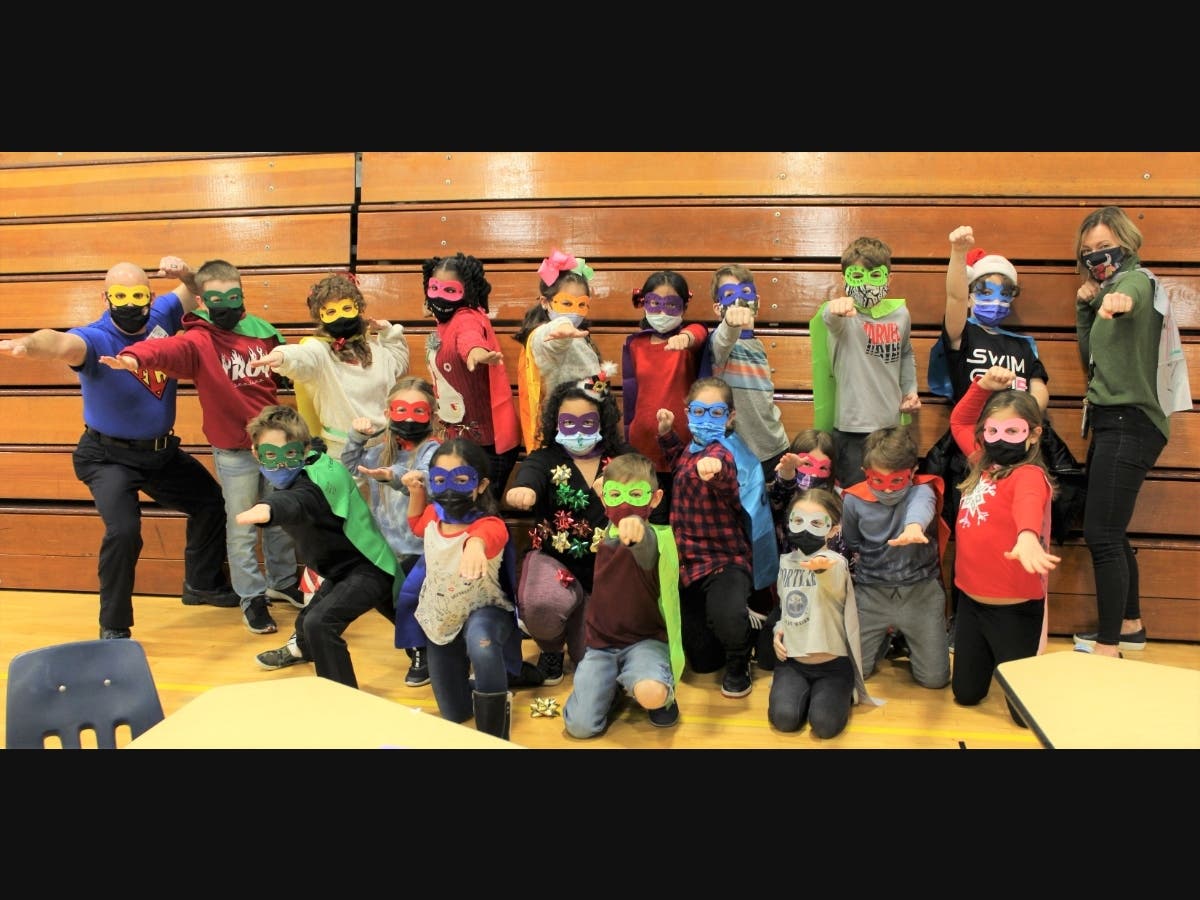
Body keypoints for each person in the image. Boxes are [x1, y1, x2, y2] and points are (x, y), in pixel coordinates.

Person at [0, 258, 235, 639]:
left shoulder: (163, 314)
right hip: (108, 457)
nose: (129, 304)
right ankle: (114, 625)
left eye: (137, 295)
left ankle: (202, 584)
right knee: (124, 532)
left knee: (210, 503)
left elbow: (197, 289)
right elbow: (58, 341)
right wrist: (28, 345)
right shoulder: (94, 338)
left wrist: (186, 272)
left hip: (160, 454)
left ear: (150, 296)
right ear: (106, 297)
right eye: (119, 296)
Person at [98, 258, 300, 637]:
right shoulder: (198, 339)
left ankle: (283, 582)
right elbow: (164, 350)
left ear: (243, 294)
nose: (226, 304)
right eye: (215, 298)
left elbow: (291, 367)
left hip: (276, 448)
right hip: (235, 451)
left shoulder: (263, 331)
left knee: (281, 519)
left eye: (233, 295)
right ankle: (251, 597)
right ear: (203, 301)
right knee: (241, 528)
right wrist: (133, 358)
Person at [1071, 206, 1175, 657]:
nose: (1098, 255)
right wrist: (1088, 305)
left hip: (1128, 421)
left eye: (1105, 245)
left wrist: (1117, 300)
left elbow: (1131, 292)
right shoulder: (1106, 290)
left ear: (1127, 243)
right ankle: (1129, 624)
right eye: (1088, 250)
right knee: (1113, 530)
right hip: (1112, 421)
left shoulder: (1137, 281)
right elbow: (1092, 357)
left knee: (1102, 534)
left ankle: (1110, 646)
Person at [239, 405, 398, 688]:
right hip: (341, 570)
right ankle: (302, 648)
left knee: (320, 623)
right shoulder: (310, 463)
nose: (279, 464)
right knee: (310, 620)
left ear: (303, 450)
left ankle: (340, 695)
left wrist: (269, 508)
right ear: (255, 453)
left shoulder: (315, 480)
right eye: (269, 455)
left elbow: (300, 500)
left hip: (369, 567)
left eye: (289, 454)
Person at [505, 371, 635, 686]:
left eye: (587, 423)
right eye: (569, 423)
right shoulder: (545, 458)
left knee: (589, 659)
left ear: (602, 422)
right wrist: (523, 491)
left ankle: (578, 626)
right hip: (555, 561)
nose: (578, 431)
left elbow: (645, 492)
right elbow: (529, 476)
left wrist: (622, 486)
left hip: (602, 574)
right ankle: (550, 648)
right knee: (543, 603)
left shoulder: (622, 459)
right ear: (556, 423)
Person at [949, 366, 1060, 724]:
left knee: (1021, 717)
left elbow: (1028, 501)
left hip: (1014, 611)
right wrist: (980, 387)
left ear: (1033, 435)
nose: (999, 438)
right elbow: (960, 422)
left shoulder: (1029, 474)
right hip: (971, 606)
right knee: (966, 696)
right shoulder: (980, 462)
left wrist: (1027, 535)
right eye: (993, 431)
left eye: (1012, 431)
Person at [657, 376, 777, 699]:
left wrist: (717, 471)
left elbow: (728, 479)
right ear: (687, 412)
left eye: (716, 412)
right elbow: (679, 464)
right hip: (688, 566)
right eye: (698, 411)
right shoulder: (692, 449)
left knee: (727, 620)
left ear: (731, 416)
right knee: (704, 662)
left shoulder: (726, 454)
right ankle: (729, 636)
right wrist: (667, 435)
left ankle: (741, 657)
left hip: (724, 562)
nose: (706, 420)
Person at [399, 437, 518, 740]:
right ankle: (497, 685)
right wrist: (416, 492)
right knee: (454, 712)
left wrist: (475, 545)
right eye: (440, 480)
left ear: (480, 485)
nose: (450, 489)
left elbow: (487, 535)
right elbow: (416, 524)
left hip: (485, 609)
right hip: (443, 614)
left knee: (482, 642)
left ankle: (494, 735)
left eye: (462, 480)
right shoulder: (432, 516)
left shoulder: (490, 524)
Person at [561, 452, 685, 738]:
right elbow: (603, 493)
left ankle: (657, 688)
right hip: (601, 645)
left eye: (637, 495)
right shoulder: (606, 528)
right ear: (605, 499)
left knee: (652, 694)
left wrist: (638, 530)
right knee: (580, 728)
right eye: (616, 495)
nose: (626, 503)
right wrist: (604, 490)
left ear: (654, 499)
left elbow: (644, 546)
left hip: (645, 642)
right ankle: (611, 687)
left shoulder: (653, 538)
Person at [247, 272, 410, 468]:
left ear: (358, 308)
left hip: (384, 448)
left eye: (346, 308)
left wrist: (388, 332)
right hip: (340, 453)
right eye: (330, 311)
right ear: (320, 316)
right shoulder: (320, 352)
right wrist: (283, 356)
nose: (340, 316)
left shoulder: (375, 349)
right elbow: (303, 357)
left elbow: (399, 363)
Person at [342, 375, 442, 688]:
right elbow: (348, 468)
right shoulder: (376, 453)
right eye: (401, 411)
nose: (409, 419)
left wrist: (393, 477)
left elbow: (424, 477)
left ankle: (423, 651)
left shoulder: (435, 451)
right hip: (387, 548)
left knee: (410, 599)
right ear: (388, 414)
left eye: (418, 411)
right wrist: (356, 438)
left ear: (433, 415)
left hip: (423, 548)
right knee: (387, 600)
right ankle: (418, 646)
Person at [839, 425, 951, 689]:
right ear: (866, 474)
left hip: (920, 593)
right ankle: (885, 641)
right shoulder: (853, 500)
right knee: (854, 676)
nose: (887, 490)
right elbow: (853, 541)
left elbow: (921, 507)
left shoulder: (922, 491)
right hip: (871, 594)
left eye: (896, 481)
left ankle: (909, 640)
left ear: (912, 473)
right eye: (878, 480)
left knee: (935, 680)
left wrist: (913, 527)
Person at [810, 236, 921, 489]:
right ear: (845, 278)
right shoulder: (840, 314)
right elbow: (830, 317)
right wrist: (835, 307)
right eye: (858, 276)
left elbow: (905, 353)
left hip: (891, 427)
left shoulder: (901, 314)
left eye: (876, 275)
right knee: (854, 496)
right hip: (851, 429)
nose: (867, 284)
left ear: (888, 278)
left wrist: (910, 391)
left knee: (891, 494)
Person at [769, 487, 879, 738]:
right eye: (798, 521)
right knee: (784, 719)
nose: (805, 528)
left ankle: (831, 696)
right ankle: (797, 693)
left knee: (825, 726)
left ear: (833, 529)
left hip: (833, 666)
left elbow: (834, 586)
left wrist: (821, 570)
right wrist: (778, 631)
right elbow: (786, 609)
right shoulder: (785, 562)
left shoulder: (835, 563)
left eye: (816, 523)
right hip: (793, 663)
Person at [421, 252, 520, 502]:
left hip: (487, 446)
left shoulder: (466, 318)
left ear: (466, 291)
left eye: (449, 290)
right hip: (461, 438)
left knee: (479, 514)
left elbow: (469, 338)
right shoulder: (446, 320)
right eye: (434, 288)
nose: (439, 296)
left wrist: (476, 353)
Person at [621, 270, 709, 524]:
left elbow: (699, 332)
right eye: (655, 303)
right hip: (643, 445)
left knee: (683, 520)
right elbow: (630, 396)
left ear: (683, 306)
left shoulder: (689, 341)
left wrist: (686, 337)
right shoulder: (634, 344)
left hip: (682, 445)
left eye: (672, 305)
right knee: (651, 520)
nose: (662, 312)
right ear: (644, 303)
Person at [704, 264, 790, 482]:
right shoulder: (718, 344)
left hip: (773, 445)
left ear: (757, 302)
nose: (739, 300)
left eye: (745, 292)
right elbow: (725, 337)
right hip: (737, 451)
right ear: (717, 308)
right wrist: (731, 323)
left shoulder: (758, 345)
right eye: (730, 294)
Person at [513, 249, 602, 451]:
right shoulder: (543, 335)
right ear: (545, 302)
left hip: (589, 427)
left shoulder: (581, 338)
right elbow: (553, 339)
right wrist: (560, 327)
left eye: (582, 304)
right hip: (562, 432)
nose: (573, 311)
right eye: (566, 303)